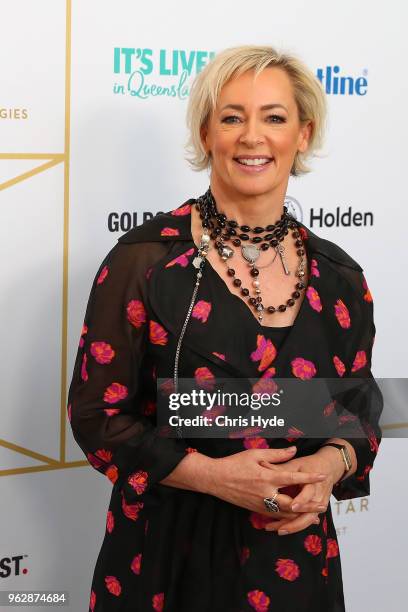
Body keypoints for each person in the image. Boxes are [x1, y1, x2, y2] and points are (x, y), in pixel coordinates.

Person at [67, 45, 383, 612]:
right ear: (207, 132)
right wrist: (214, 477)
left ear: (303, 135)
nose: (252, 136)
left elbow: (358, 408)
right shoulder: (144, 262)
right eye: (232, 117)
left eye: (274, 117)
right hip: (164, 560)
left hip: (294, 566)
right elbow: (97, 416)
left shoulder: (340, 277)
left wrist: (330, 464)